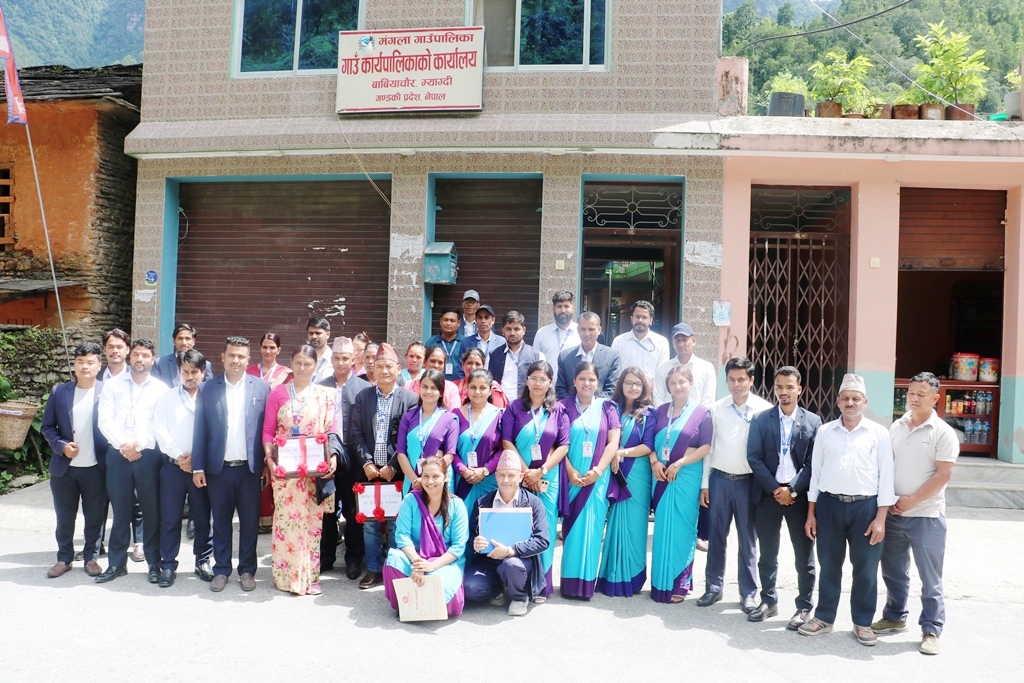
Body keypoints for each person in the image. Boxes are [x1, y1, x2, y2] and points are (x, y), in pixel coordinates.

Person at [800, 373, 896, 646]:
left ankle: (863, 622)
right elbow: (816, 474)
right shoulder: (825, 432)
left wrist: (881, 518)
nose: (850, 403)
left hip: (865, 508)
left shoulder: (878, 434)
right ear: (838, 401)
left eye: (856, 398)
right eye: (845, 398)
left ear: (865, 402)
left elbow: (886, 477)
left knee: (865, 568)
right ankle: (824, 618)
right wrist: (811, 513)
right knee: (829, 565)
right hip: (829, 506)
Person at [872, 371, 958, 656]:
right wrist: (888, 503)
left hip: (926, 516)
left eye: (922, 394)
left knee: (930, 577)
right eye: (911, 393)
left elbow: (943, 474)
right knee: (894, 571)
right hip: (895, 514)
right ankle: (895, 616)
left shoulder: (943, 432)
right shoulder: (896, 426)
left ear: (935, 398)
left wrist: (912, 501)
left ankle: (931, 629)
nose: (914, 398)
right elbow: (886, 465)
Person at [191, 337, 271, 593]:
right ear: (223, 357)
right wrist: (198, 467)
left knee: (249, 523)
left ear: (248, 360)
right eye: (232, 355)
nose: (236, 360)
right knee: (221, 522)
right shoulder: (208, 388)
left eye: (241, 356)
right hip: (219, 469)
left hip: (250, 469)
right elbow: (200, 429)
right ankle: (222, 569)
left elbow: (267, 430)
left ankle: (247, 570)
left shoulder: (262, 388)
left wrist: (268, 464)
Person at [746, 366, 821, 629]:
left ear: (799, 389)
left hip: (798, 498)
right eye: (779, 387)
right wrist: (775, 490)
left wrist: (793, 490)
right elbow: (754, 458)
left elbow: (812, 464)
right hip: (769, 496)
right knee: (768, 553)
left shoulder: (813, 422)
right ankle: (768, 601)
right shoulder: (760, 419)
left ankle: (804, 607)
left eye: (789, 387)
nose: (784, 392)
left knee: (804, 556)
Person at [697, 357, 773, 613]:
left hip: (748, 483)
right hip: (719, 481)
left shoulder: (763, 409)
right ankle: (713, 587)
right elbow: (708, 449)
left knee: (747, 540)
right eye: (731, 379)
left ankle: (748, 593)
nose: (736, 384)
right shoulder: (716, 409)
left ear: (752, 380)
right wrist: (705, 484)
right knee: (716, 536)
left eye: (742, 379)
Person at [262, 345, 337, 596]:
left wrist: (332, 457)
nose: (302, 368)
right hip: (286, 473)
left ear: (315, 366)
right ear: (291, 364)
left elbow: (331, 430)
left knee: (312, 525)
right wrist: (270, 460)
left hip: (314, 472)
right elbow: (268, 430)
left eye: (308, 364)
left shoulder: (325, 395)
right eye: (298, 363)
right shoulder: (278, 393)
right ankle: (285, 577)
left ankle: (310, 576)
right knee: (287, 523)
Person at [96, 339, 169, 584]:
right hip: (118, 455)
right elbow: (104, 420)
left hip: (148, 456)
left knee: (151, 511)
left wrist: (137, 445)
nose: (140, 359)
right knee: (120, 512)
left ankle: (154, 563)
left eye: (145, 355)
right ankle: (117, 564)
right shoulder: (112, 385)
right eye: (136, 354)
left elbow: (160, 424)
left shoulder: (161, 389)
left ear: (153, 359)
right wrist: (123, 446)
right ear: (130, 357)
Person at [350, 343, 419, 589]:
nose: (384, 371)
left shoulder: (410, 399)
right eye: (379, 366)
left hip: (396, 471)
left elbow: (408, 437)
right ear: (373, 369)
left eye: (389, 366)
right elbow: (356, 434)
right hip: (368, 471)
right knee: (369, 523)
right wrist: (367, 463)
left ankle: (393, 567)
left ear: (398, 368)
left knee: (394, 522)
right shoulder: (363, 397)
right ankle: (373, 568)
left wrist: (392, 464)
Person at [500, 360, 569, 599]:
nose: (538, 383)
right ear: (526, 381)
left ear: (550, 383)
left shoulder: (558, 410)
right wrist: (526, 472)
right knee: (518, 529)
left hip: (548, 479)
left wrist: (541, 471)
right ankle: (518, 583)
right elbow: (506, 441)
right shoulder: (514, 407)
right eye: (533, 378)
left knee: (544, 528)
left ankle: (541, 586)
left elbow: (564, 445)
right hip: (518, 477)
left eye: (543, 379)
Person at [42, 342, 109, 579]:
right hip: (65, 470)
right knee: (64, 518)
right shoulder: (60, 392)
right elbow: (47, 427)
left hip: (96, 468)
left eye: (90, 362)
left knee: (95, 517)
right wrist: (61, 447)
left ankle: (91, 558)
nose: (85, 366)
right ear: (74, 365)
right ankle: (64, 558)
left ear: (99, 365)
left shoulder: (108, 392)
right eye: (80, 362)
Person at [650, 365, 712, 603]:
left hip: (686, 475)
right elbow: (649, 442)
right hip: (661, 476)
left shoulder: (702, 413)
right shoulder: (659, 411)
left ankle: (680, 583)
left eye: (682, 382)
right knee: (662, 528)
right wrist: (655, 461)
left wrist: (680, 462)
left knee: (684, 529)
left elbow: (705, 447)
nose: (677, 387)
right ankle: (660, 582)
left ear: (691, 384)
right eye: (673, 383)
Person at [559, 361, 621, 600]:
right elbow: (556, 444)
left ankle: (586, 585)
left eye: (591, 379)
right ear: (574, 381)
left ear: (598, 382)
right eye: (582, 378)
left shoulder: (607, 407)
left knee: (593, 530)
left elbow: (613, 442)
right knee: (572, 530)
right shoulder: (562, 407)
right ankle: (569, 584)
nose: (587, 383)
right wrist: (570, 471)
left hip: (598, 479)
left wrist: (598, 470)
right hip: (572, 478)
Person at [464, 450, 551, 616]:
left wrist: (511, 551)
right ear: (496, 476)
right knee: (470, 588)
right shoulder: (482, 502)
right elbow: (472, 535)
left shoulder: (534, 503)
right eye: (502, 475)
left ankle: (519, 597)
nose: (505, 480)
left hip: (518, 560)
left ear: (520, 477)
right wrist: (475, 543)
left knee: (511, 565)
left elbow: (542, 540)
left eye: (511, 475)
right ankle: (499, 588)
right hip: (489, 560)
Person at [153, 349, 213, 587]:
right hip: (173, 468)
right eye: (185, 372)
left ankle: (203, 561)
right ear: (178, 372)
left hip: (201, 469)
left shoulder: (211, 396)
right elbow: (160, 429)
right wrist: (180, 456)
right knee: (170, 519)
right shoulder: (167, 398)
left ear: (203, 372)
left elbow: (215, 432)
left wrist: (196, 460)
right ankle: (168, 564)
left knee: (202, 517)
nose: (189, 376)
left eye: (194, 372)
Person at [383, 456, 469, 617]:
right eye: (426, 476)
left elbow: (458, 547)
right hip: (415, 557)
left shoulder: (457, 505)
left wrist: (431, 566)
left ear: (446, 477)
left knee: (449, 597)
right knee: (393, 560)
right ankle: (407, 606)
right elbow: (402, 536)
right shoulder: (410, 500)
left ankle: (418, 603)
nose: (430, 481)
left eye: (435, 476)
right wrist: (418, 564)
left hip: (444, 561)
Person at [597, 367, 656, 597]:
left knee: (634, 527)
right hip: (612, 473)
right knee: (613, 524)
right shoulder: (610, 409)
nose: (633, 387)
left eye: (638, 384)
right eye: (629, 382)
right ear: (621, 384)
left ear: (644, 387)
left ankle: (632, 578)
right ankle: (610, 577)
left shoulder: (648, 413)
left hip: (637, 476)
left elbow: (648, 445)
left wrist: (621, 452)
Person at [318, 336, 372, 579]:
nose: (341, 363)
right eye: (337, 358)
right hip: (326, 455)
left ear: (353, 360)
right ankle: (326, 557)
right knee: (327, 508)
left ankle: (353, 559)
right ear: (331, 359)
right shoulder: (321, 386)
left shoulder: (363, 388)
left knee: (352, 510)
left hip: (353, 457)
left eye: (345, 358)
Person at [396, 369, 460, 496]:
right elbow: (401, 453)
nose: (428, 391)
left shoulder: (449, 419)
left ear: (441, 393)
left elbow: (450, 455)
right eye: (425, 387)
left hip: (438, 482)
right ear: (419, 389)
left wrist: (427, 478)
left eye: (433, 388)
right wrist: (416, 480)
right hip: (412, 481)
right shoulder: (408, 417)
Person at [454, 369, 504, 512]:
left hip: (488, 479)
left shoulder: (500, 415)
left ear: (490, 390)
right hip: (462, 479)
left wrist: (486, 470)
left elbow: (504, 448)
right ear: (467, 388)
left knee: (486, 520)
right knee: (462, 520)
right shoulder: (455, 415)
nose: (477, 392)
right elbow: (450, 450)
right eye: (473, 387)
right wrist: (463, 470)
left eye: (482, 388)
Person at [555, 312, 620, 399]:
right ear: (578, 330)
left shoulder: (612, 356)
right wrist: (574, 405)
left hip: (601, 406)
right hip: (570, 407)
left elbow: (612, 390)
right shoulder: (565, 357)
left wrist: (591, 405)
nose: (587, 333)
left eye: (591, 329)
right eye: (583, 329)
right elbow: (560, 389)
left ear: (599, 330)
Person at [653, 322, 717, 407]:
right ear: (673, 344)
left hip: (697, 415)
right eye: (677, 340)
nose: (681, 344)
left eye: (685, 340)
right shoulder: (663, 368)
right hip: (669, 415)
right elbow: (658, 398)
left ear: (694, 341)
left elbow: (708, 400)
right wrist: (665, 414)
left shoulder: (706, 368)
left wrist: (697, 415)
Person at [488, 310, 543, 400]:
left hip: (526, 405)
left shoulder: (537, 356)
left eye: (516, 329)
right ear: (503, 331)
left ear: (523, 330)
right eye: (508, 329)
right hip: (500, 405)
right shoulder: (493, 354)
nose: (512, 333)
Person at [611, 300, 669, 382]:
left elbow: (662, 371)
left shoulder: (661, 342)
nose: (640, 320)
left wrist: (649, 387)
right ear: (631, 318)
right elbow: (615, 371)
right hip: (625, 388)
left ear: (651, 320)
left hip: (652, 388)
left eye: (644, 317)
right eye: (637, 317)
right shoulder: (619, 341)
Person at [151, 322, 214, 387]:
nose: (184, 343)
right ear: (174, 342)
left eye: (187, 339)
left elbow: (209, 389)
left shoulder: (205, 365)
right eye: (180, 339)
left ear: (193, 341)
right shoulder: (159, 364)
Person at [532, 290, 579, 365]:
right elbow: (535, 362)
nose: (563, 310)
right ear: (553, 309)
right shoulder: (542, 333)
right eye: (559, 306)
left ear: (573, 309)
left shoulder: (580, 333)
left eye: (566, 306)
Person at [408, 346, 462, 410]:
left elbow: (454, 413)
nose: (436, 365)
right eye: (432, 361)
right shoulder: (410, 385)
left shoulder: (451, 388)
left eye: (440, 363)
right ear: (425, 362)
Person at [425, 307, 464, 381]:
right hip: (435, 382)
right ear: (440, 321)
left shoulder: (465, 342)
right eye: (445, 320)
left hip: (460, 384)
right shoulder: (430, 342)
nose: (448, 323)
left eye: (452, 321)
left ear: (458, 323)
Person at [305, 316, 333, 383]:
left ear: (328, 334)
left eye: (318, 333)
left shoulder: (333, 360)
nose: (314, 336)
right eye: (311, 333)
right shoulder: (303, 358)